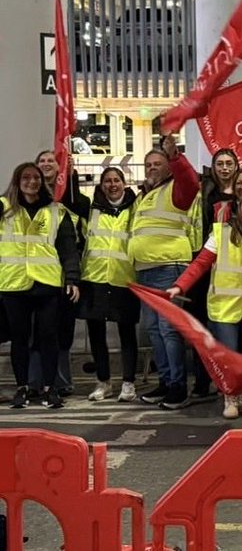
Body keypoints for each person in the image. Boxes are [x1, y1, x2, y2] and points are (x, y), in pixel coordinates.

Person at [168, 191, 242, 419]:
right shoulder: (221, 233)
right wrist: (179, 287)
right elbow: (200, 264)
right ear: (239, 209)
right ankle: (230, 397)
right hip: (224, 306)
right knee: (228, 357)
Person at [0, 162, 80, 410]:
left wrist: (72, 279)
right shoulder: (3, 207)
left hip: (46, 282)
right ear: (17, 181)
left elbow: (68, 248)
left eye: (36, 178)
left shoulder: (56, 211)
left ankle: (49, 388)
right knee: (19, 338)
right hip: (13, 283)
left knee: (48, 336)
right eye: (26, 177)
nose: (32, 182)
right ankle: (22, 388)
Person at [128, 135, 199, 410]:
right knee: (154, 330)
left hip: (169, 267)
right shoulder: (147, 195)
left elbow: (191, 182)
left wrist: (176, 156)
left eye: (157, 163)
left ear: (169, 167)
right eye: (148, 165)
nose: (152, 168)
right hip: (146, 270)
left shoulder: (176, 190)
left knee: (168, 330)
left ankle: (178, 387)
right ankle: (167, 382)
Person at [77, 167, 139, 403]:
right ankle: (103, 382)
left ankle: (128, 382)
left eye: (116, 180)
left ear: (124, 183)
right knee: (96, 334)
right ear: (101, 185)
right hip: (94, 278)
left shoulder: (136, 209)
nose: (112, 185)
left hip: (125, 278)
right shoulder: (91, 210)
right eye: (107, 181)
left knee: (127, 333)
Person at [33, 149, 89, 396]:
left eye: (51, 161)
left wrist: (71, 177)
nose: (46, 164)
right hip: (34, 276)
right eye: (42, 161)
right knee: (36, 331)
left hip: (65, 272)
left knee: (62, 329)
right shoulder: (26, 200)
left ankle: (61, 381)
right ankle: (35, 382)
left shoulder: (75, 200)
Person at [190, 148, 240, 402]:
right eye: (220, 163)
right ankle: (202, 379)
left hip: (235, 271)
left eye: (229, 163)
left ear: (236, 166)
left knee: (231, 330)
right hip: (206, 264)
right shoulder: (203, 193)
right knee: (202, 327)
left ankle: (232, 382)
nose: (224, 168)